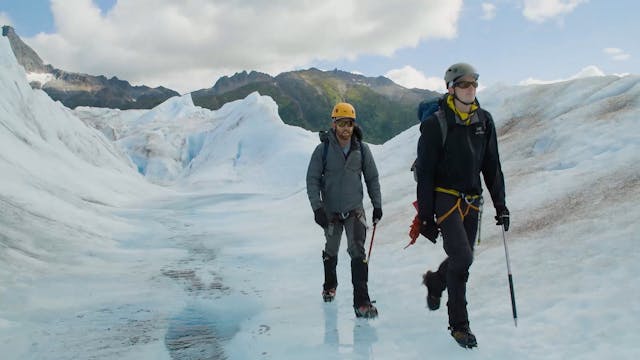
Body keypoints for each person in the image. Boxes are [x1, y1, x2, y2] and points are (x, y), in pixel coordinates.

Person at [415, 63, 509, 348]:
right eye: (464, 84)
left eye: (474, 84)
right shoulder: (436, 124)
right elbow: (426, 172)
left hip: (473, 199)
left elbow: (492, 166)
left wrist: (501, 205)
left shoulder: (485, 121)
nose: (471, 89)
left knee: (461, 259)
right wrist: (426, 217)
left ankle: (435, 281)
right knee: (464, 258)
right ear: (451, 88)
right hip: (445, 197)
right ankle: (460, 325)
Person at [306, 102, 383, 319]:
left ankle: (362, 303)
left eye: (349, 123)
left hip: (354, 210)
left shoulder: (362, 149)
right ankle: (330, 285)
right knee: (331, 249)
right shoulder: (323, 150)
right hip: (330, 211)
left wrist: (377, 204)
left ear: (353, 124)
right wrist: (317, 208)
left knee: (358, 251)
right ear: (334, 124)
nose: (345, 128)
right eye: (341, 123)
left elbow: (372, 178)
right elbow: (312, 179)